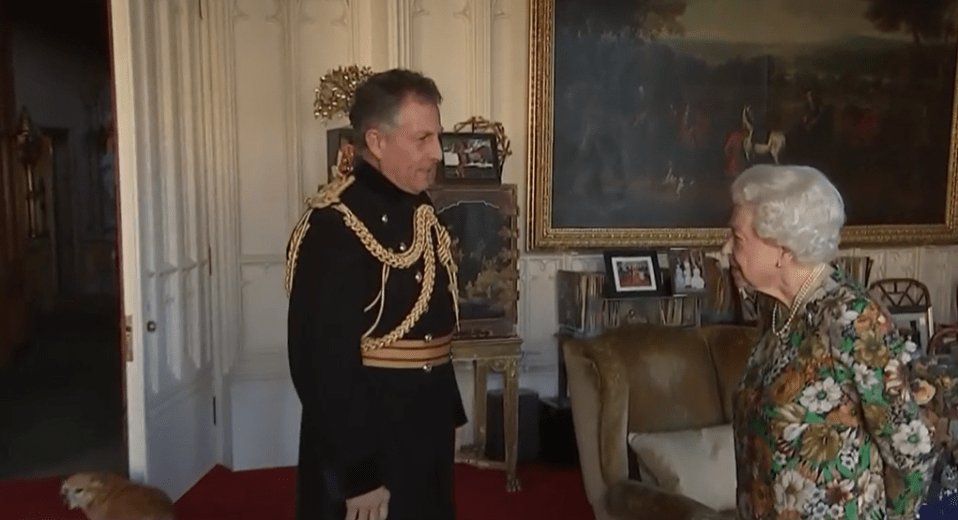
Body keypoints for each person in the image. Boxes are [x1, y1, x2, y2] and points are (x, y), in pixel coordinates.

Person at [285, 68, 468, 520]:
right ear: (378, 142)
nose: (438, 153)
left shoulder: (420, 210)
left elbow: (432, 328)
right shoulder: (334, 225)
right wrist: (360, 473)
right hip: (370, 438)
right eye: (422, 138)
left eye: (437, 137)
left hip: (425, 429)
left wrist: (450, 413)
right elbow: (322, 364)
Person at [724, 164, 953, 520]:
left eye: (737, 239)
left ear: (781, 248)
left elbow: (910, 449)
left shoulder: (851, 318)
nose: (725, 249)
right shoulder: (777, 312)